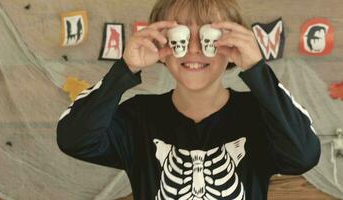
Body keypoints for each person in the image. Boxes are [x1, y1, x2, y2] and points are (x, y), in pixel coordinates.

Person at [56, 0, 321, 199]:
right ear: (161, 47)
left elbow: (304, 155)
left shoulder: (260, 115)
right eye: (180, 36)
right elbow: (74, 139)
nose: (194, 49)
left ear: (232, 47)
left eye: (208, 37)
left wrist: (256, 70)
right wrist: (125, 69)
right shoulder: (137, 118)